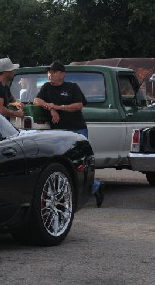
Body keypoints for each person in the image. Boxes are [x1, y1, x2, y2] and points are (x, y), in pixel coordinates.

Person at [33, 60, 105, 207]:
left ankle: (95, 186)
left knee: (81, 164)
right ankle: (66, 196)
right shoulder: (46, 87)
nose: (50, 74)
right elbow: (36, 100)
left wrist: (59, 107)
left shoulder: (72, 87)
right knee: (64, 164)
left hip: (77, 129)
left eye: (53, 72)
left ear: (62, 74)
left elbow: (78, 105)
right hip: (59, 132)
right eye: (49, 72)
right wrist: (50, 108)